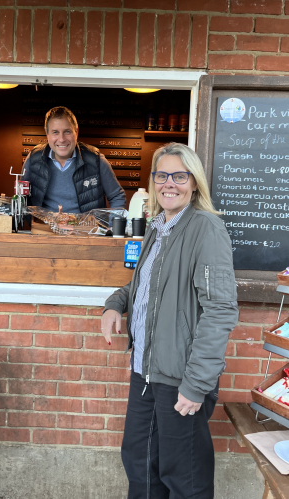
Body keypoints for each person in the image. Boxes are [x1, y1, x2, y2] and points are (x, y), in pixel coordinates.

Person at [101, 143, 239, 499]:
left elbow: (220, 310)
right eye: (162, 175)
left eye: (179, 176)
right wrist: (115, 304)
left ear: (194, 183)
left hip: (181, 378)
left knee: (184, 480)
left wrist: (196, 384)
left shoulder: (206, 228)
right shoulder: (158, 225)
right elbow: (143, 285)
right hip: (145, 372)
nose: (169, 184)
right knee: (140, 467)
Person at [21, 106, 126, 213]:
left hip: (86, 229)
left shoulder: (96, 160)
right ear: (47, 133)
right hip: (44, 229)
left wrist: (110, 227)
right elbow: (21, 197)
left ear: (76, 132)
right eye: (55, 132)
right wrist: (32, 223)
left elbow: (117, 196)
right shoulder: (33, 159)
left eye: (67, 132)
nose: (61, 139)